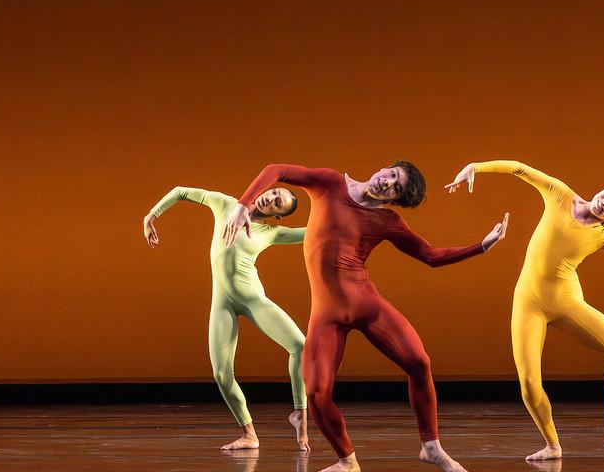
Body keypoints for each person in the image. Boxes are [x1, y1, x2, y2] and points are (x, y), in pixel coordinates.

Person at [223, 161, 508, 472]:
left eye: (396, 186)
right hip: (327, 314)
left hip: (366, 304)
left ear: (393, 199)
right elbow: (276, 169)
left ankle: (432, 447)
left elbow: (430, 256)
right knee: (316, 395)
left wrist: (482, 246)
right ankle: (348, 462)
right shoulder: (330, 183)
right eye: (391, 173)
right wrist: (243, 204)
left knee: (419, 361)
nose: (387, 181)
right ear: (384, 168)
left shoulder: (387, 220)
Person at [445, 160, 604, 462]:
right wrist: (475, 167)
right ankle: (552, 444)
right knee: (528, 385)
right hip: (528, 301)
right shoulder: (560, 194)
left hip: (565, 302)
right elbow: (518, 169)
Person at [142, 185, 310, 452]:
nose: (272, 198)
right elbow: (180, 191)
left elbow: (316, 233)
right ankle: (249, 435)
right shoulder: (225, 205)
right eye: (275, 192)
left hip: (254, 301)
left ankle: (300, 412)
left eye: (278, 203)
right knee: (221, 374)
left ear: (277, 215)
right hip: (222, 304)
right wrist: (151, 215)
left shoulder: (271, 232)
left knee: (300, 345)